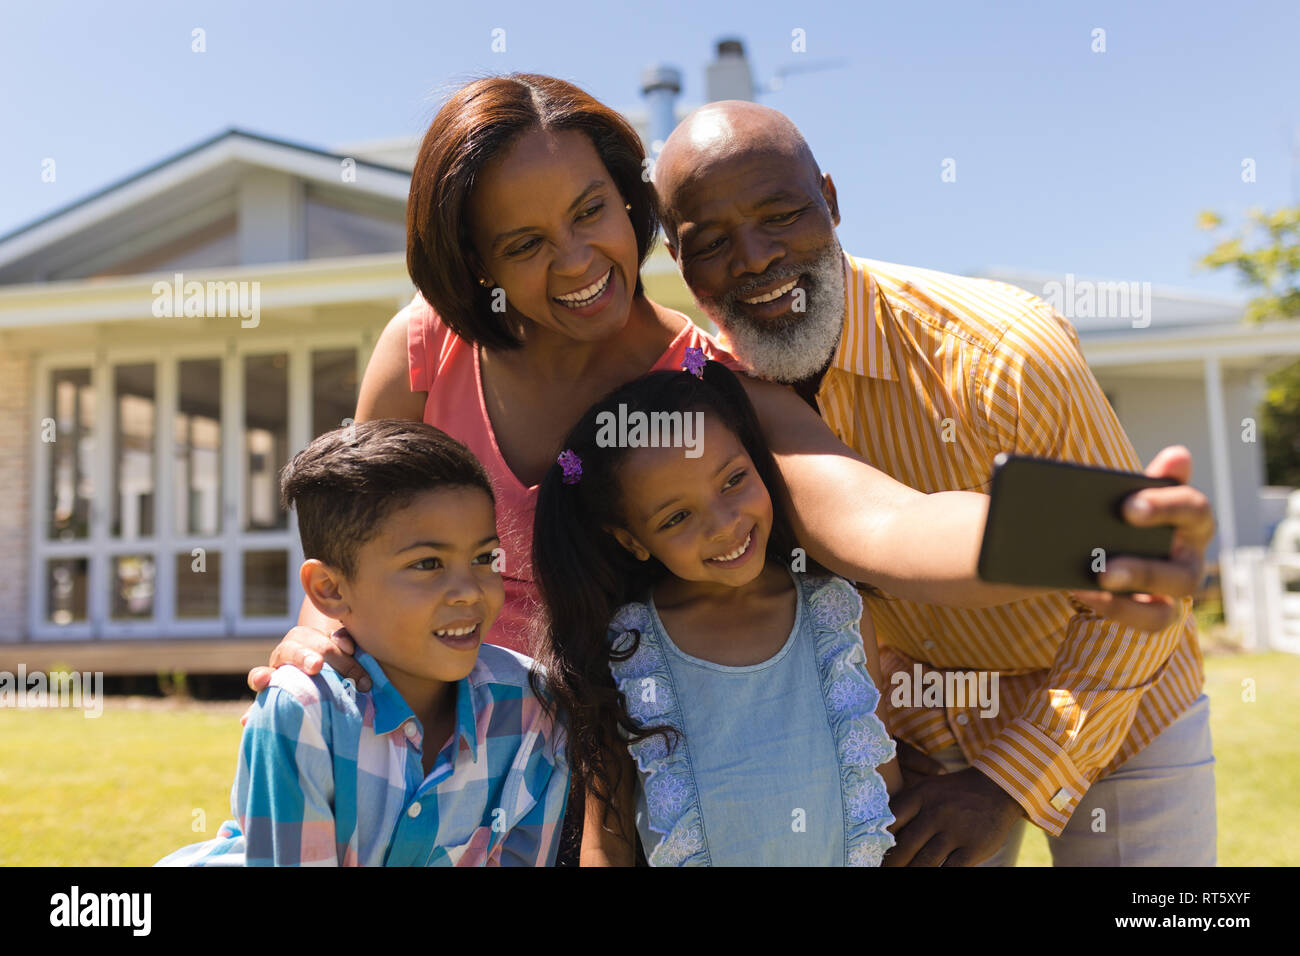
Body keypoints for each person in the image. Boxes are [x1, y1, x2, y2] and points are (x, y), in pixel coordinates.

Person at [652, 99, 1219, 866]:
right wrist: (874, 734)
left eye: (782, 214)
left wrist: (1009, 782)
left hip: (1112, 704)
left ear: (832, 199)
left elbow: (1131, 605)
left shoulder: (1005, 354)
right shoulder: (709, 391)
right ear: (678, 261)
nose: (753, 258)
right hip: (920, 738)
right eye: (711, 241)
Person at [532, 358, 900, 865]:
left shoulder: (836, 614)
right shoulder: (624, 649)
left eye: (732, 481)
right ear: (632, 541)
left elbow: (879, 783)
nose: (725, 524)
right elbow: (607, 839)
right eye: (678, 516)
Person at [158, 420, 568, 866]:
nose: (469, 590)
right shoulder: (303, 714)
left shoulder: (536, 703)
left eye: (483, 558)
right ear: (330, 589)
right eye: (428, 563)